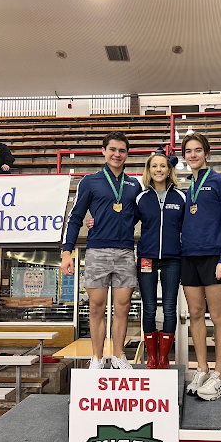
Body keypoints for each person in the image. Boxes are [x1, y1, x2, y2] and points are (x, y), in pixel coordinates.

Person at [61, 132, 142, 370]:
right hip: (97, 251)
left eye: (122, 150)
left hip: (126, 252)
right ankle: (96, 358)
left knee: (123, 308)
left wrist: (110, 218)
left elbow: (138, 215)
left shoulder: (134, 185)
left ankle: (118, 356)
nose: (117, 154)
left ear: (127, 154)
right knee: (96, 307)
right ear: (104, 151)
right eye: (113, 149)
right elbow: (75, 218)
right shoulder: (89, 181)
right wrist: (67, 252)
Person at [180, 132, 221, 401]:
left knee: (218, 316)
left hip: (214, 257)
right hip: (188, 257)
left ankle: (220, 376)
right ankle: (202, 369)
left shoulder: (220, 181)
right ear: (184, 156)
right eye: (188, 151)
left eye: (197, 150)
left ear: (206, 153)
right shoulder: (185, 188)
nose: (193, 154)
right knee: (194, 313)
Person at [135, 148, 185, 369]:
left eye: (162, 166)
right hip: (146, 257)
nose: (158, 169)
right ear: (149, 169)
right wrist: (95, 223)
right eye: (154, 166)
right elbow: (125, 221)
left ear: (169, 169)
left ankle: (164, 358)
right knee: (148, 308)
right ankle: (152, 357)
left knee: (169, 307)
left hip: (173, 259)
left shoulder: (181, 197)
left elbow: (189, 227)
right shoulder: (141, 198)